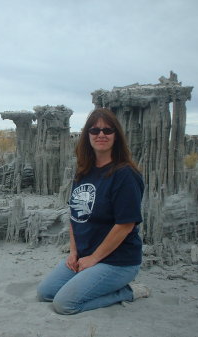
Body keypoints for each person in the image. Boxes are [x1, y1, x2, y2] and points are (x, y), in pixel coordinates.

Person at [37, 107, 150, 315]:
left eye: (108, 130)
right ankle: (88, 281)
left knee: (64, 304)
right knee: (45, 292)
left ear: (116, 136)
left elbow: (125, 225)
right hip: (85, 255)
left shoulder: (125, 175)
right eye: (94, 130)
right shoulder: (84, 172)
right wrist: (74, 252)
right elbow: (75, 217)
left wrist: (94, 259)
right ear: (86, 135)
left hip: (118, 261)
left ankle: (127, 292)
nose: (101, 135)